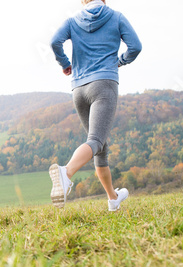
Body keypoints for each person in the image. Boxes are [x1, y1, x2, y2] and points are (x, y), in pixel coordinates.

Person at [49, 0, 141, 211]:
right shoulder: (116, 17)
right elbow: (136, 46)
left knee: (100, 147)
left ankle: (113, 198)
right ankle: (66, 173)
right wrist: (120, 61)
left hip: (79, 89)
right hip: (104, 85)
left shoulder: (72, 20)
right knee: (96, 141)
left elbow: (55, 42)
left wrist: (65, 64)